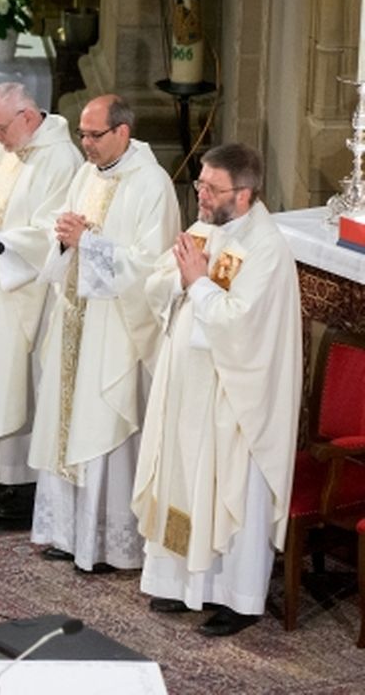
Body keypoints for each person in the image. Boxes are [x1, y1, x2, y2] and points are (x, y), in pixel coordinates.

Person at [131, 143, 301, 637]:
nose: (200, 194)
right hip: (189, 386)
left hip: (236, 399)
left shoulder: (266, 249)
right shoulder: (208, 228)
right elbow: (160, 284)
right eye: (201, 184)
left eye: (211, 187)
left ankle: (238, 598)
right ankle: (187, 586)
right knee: (185, 478)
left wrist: (198, 282)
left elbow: (240, 325)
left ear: (244, 194)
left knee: (229, 487)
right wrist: (184, 281)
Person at [27, 94, 180, 572]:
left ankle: (108, 545)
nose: (85, 144)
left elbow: (153, 267)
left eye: (94, 135)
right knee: (66, 423)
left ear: (123, 133)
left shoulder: (152, 185)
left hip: (115, 329)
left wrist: (87, 242)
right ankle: (69, 534)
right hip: (76, 317)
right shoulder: (87, 174)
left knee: (103, 428)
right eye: (82, 134)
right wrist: (66, 235)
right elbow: (66, 237)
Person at [0, 83, 82, 519]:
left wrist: (0, 240)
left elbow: (52, 230)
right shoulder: (7, 146)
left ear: (27, 117)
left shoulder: (61, 159)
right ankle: (2, 476)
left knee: (22, 381)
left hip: (30, 291)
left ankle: (24, 483)